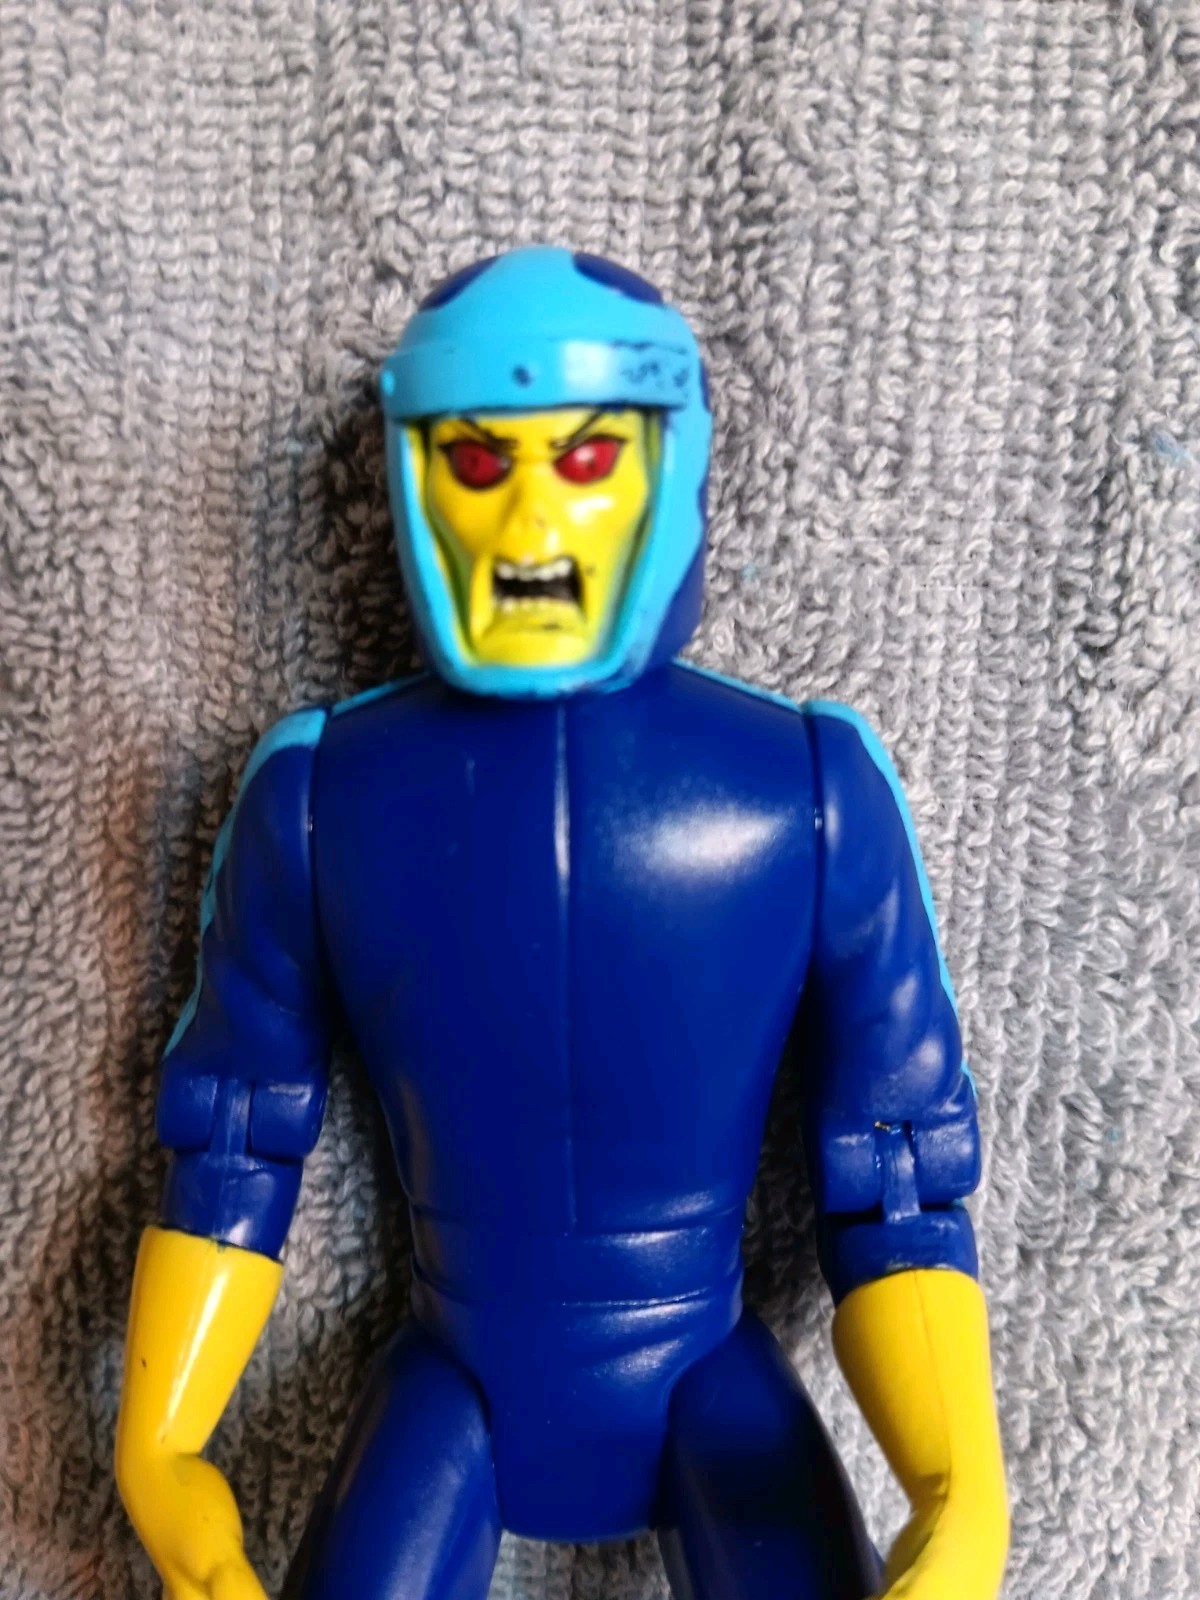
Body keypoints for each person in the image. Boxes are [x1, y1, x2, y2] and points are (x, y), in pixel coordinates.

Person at [115, 246, 1008, 1600]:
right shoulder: (318, 798)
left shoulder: (806, 792)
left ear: (667, 468)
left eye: (585, 461)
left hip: (710, 1376)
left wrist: (960, 1486)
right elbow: (237, 1133)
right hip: (453, 1378)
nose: (531, 516)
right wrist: (160, 1446)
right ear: (417, 479)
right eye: (480, 464)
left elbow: (897, 1171)